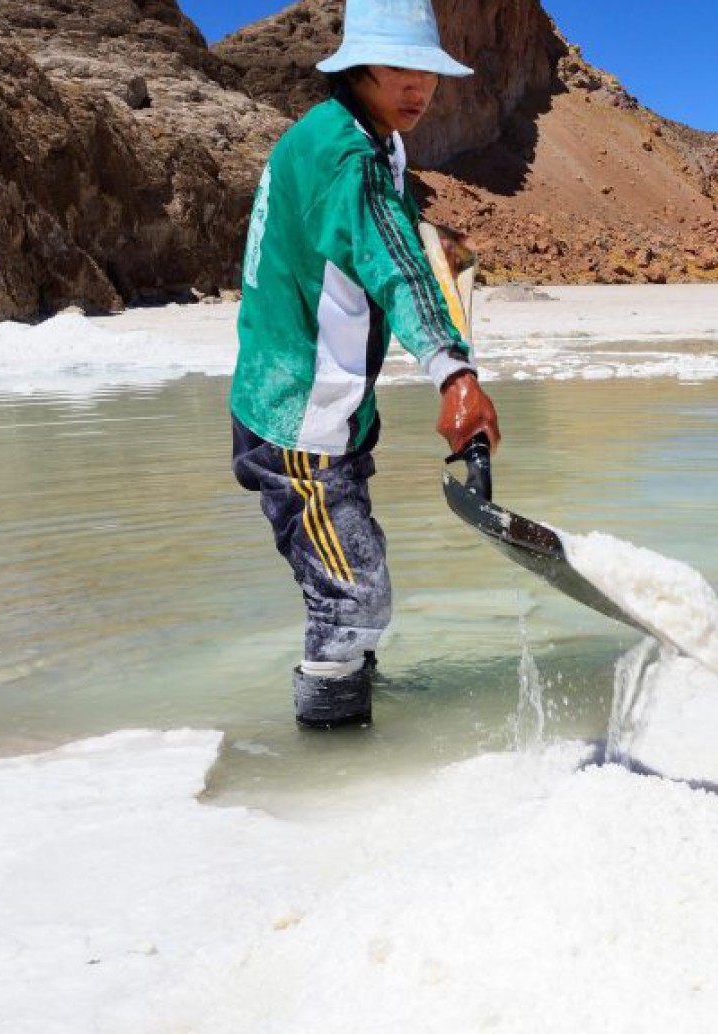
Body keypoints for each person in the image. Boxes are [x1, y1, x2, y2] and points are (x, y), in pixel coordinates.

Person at [230, 0, 500, 728]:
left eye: (429, 72)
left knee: (353, 568)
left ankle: (357, 696)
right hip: (299, 420)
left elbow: (384, 234)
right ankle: (335, 766)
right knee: (353, 596)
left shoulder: (361, 137)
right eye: (399, 69)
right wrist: (455, 372)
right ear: (356, 67)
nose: (418, 87)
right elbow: (393, 268)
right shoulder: (343, 155)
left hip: (329, 405)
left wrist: (430, 237)